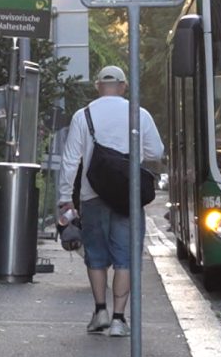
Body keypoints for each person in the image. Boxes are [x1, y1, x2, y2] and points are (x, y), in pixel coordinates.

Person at [57, 65, 164, 337]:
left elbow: (71, 160)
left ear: (97, 87)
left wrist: (64, 198)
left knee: (95, 256)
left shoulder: (84, 116)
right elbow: (156, 151)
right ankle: (119, 319)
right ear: (124, 86)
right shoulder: (139, 114)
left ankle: (100, 312)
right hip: (128, 196)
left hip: (92, 196)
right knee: (125, 259)